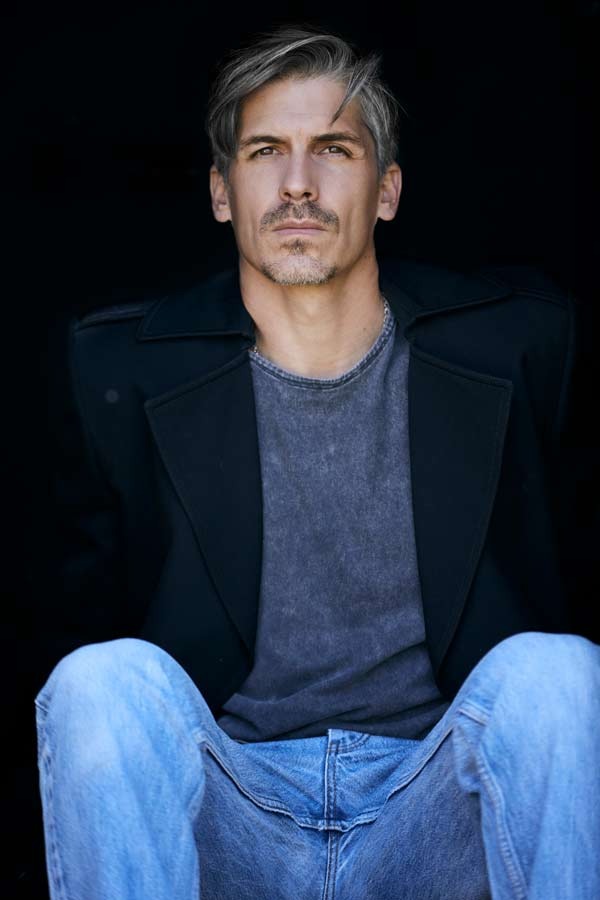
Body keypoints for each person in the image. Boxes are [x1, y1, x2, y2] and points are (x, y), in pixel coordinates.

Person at [34, 23, 599, 900]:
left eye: (333, 149)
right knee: (97, 682)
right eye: (266, 151)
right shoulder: (118, 369)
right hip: (229, 815)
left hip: (435, 809)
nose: (298, 183)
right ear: (221, 192)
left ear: (387, 190)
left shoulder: (519, 348)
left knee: (560, 674)